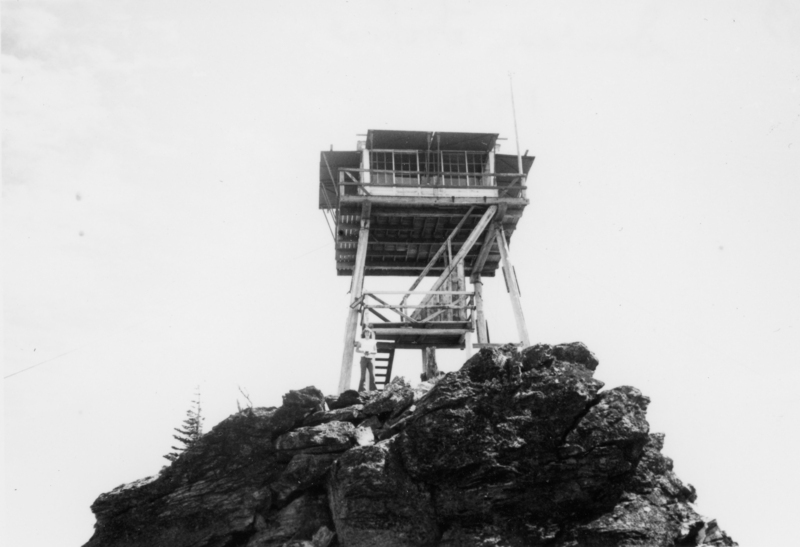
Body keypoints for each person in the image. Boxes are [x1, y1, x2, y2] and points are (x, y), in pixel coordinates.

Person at [355, 327, 378, 392]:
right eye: (366, 332)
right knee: (363, 375)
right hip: (363, 359)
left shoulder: (373, 341)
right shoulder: (361, 340)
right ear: (364, 333)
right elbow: (357, 350)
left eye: (368, 332)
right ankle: (361, 390)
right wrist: (364, 351)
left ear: (370, 334)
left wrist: (370, 352)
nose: (367, 333)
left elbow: (375, 351)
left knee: (372, 374)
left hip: (370, 359)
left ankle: (373, 389)